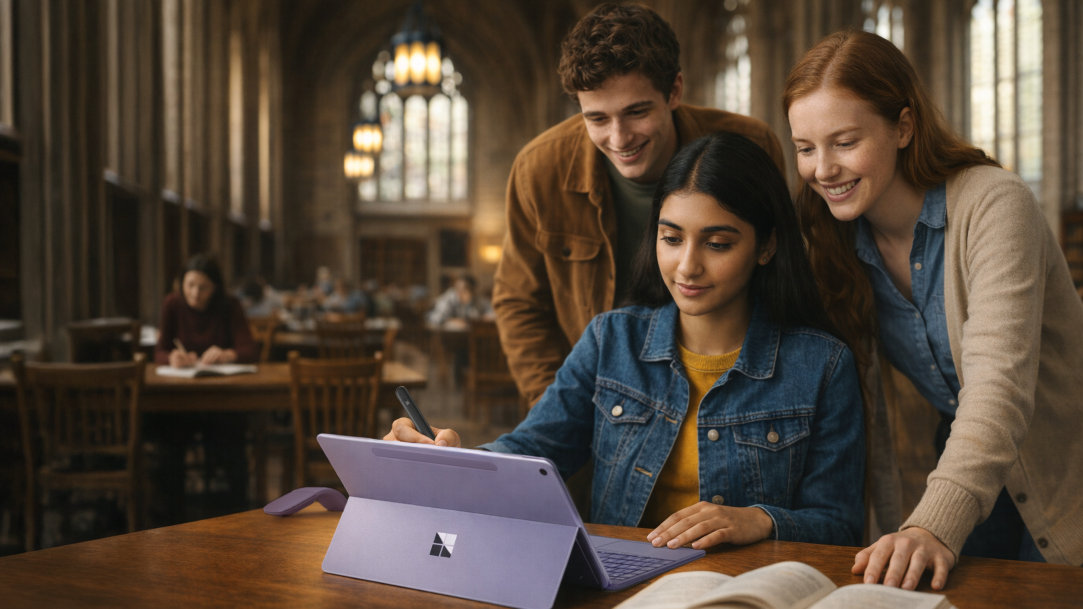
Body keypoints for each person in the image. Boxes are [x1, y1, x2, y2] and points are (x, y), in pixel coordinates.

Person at [387, 132, 864, 549]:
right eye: (671, 238)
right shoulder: (609, 340)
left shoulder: (822, 365)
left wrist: (760, 519)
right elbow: (534, 449)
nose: (687, 266)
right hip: (622, 588)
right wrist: (455, 459)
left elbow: (838, 524)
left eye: (717, 244)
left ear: (767, 246)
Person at [784, 29, 1083, 590]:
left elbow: (998, 388)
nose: (823, 169)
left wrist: (930, 524)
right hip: (965, 465)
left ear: (903, 127)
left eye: (844, 142)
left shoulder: (994, 204)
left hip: (1066, 463)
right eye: (805, 148)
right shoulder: (832, 240)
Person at [493, 2, 786, 406]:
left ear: (675, 91)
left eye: (636, 112)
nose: (619, 137)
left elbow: (782, 278)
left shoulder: (749, 146)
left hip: (730, 393)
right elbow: (519, 302)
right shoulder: (538, 170)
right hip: (596, 397)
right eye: (597, 119)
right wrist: (561, 408)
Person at [155, 253, 258, 366]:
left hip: (223, 379)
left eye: (203, 287)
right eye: (190, 285)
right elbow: (159, 352)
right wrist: (172, 358)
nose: (195, 293)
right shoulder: (172, 303)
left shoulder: (230, 305)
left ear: (215, 287)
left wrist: (227, 355)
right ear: (181, 283)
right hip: (181, 378)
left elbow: (250, 351)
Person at [426, 274, 494, 328]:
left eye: (464, 290)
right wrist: (451, 321)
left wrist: (485, 317)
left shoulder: (477, 299)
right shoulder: (448, 298)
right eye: (457, 289)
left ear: (473, 291)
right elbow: (436, 319)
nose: (459, 293)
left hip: (468, 336)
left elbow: (493, 312)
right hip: (446, 337)